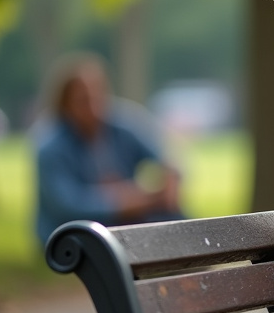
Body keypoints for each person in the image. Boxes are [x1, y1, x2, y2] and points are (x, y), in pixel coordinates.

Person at [35, 52, 184, 246]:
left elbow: (166, 156)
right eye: (83, 100)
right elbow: (68, 205)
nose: (93, 107)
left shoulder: (123, 125)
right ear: (65, 104)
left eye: (98, 95)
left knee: (176, 220)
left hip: (125, 220)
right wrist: (125, 200)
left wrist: (170, 179)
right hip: (72, 233)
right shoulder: (49, 145)